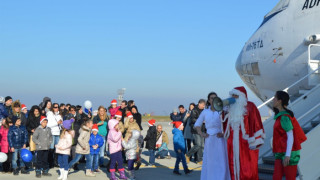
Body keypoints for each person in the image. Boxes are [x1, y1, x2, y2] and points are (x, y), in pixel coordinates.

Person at [222, 86, 265, 180]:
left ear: (241, 96)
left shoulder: (250, 106)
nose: (233, 97)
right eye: (232, 95)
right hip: (232, 141)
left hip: (246, 141)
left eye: (235, 95)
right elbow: (225, 124)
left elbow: (256, 123)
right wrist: (224, 111)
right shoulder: (229, 108)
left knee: (248, 167)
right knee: (232, 165)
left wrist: (255, 141)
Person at [194, 93, 231, 180]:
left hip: (220, 139)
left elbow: (230, 123)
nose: (213, 99)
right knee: (210, 161)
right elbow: (197, 124)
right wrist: (201, 133)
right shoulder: (205, 111)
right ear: (209, 100)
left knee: (221, 160)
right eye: (211, 98)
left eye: (215, 98)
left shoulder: (223, 110)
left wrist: (224, 133)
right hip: (209, 139)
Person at [272, 91, 307, 180]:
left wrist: (288, 155)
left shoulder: (284, 117)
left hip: (288, 153)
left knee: (290, 178)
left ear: (280, 101)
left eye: (275, 97)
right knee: (276, 177)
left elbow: (290, 135)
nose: (273, 99)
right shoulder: (281, 116)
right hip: (280, 153)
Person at [186, 99, 206, 164]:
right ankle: (188, 155)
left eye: (204, 105)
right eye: (203, 105)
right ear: (199, 104)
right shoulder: (194, 110)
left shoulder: (204, 111)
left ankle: (199, 159)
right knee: (198, 145)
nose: (204, 106)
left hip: (202, 130)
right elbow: (192, 120)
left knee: (202, 146)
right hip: (196, 130)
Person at [47, 103, 63, 168]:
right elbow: (48, 125)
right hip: (52, 133)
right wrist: (57, 123)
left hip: (58, 133)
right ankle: (50, 162)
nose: (57, 108)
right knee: (51, 148)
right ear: (52, 108)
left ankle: (56, 162)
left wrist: (61, 124)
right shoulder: (50, 114)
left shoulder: (59, 115)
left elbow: (61, 124)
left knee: (57, 148)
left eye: (57, 107)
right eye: (55, 107)